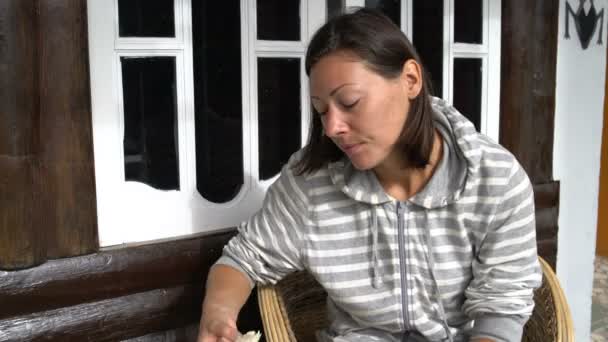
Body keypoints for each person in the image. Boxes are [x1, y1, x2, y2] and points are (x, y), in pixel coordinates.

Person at [197, 8, 541, 342]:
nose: (332, 127)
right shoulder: (309, 184)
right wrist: (218, 315)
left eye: (349, 102)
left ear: (410, 80)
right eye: (321, 111)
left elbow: (502, 306)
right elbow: (243, 259)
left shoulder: (495, 179)